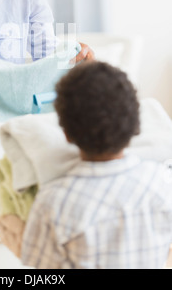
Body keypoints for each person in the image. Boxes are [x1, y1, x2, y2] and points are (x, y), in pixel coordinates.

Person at [21, 61, 172, 269]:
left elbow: (40, 266)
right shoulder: (161, 181)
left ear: (65, 132)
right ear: (135, 125)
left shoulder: (53, 200)